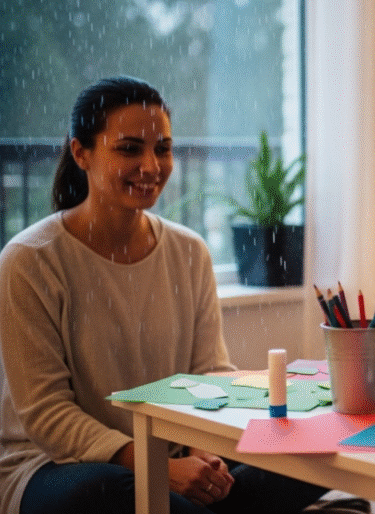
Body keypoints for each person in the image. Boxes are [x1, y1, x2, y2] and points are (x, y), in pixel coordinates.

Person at [0, 77, 357, 514]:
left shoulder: (189, 251)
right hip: (57, 467)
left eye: (162, 149)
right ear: (81, 153)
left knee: (318, 450)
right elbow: (48, 415)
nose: (151, 166)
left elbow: (210, 374)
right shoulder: (29, 261)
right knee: (112, 493)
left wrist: (203, 450)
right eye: (129, 149)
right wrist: (155, 468)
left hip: (172, 454)